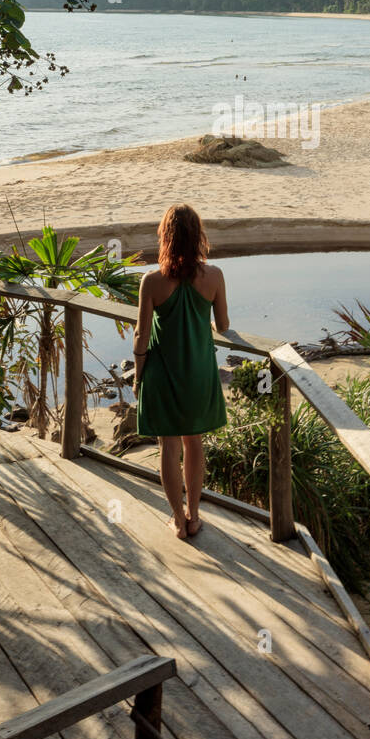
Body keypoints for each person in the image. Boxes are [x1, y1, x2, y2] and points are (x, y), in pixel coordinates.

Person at [133, 204, 228, 539]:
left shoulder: (152, 281)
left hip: (162, 372)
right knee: (195, 444)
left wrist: (137, 375)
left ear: (166, 237)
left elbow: (141, 336)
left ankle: (176, 519)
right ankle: (195, 515)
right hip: (199, 372)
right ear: (197, 237)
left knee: (168, 447)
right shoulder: (214, 276)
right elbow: (224, 324)